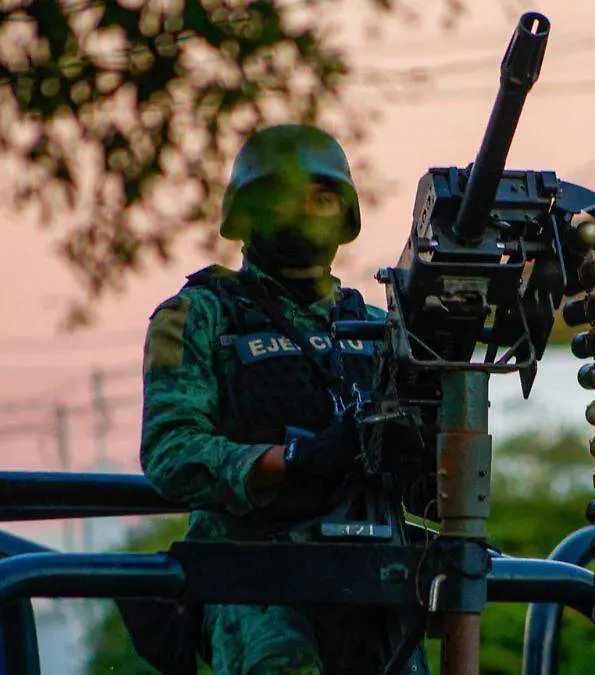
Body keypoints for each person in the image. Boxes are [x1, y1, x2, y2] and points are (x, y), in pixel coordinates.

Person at [137, 125, 430, 674]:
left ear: (344, 215)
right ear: (247, 212)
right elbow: (171, 453)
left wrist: (426, 449)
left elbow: (433, 487)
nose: (304, 212)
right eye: (284, 195)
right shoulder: (200, 316)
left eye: (321, 197)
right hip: (256, 581)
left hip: (376, 580)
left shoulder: (380, 329)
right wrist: (294, 460)